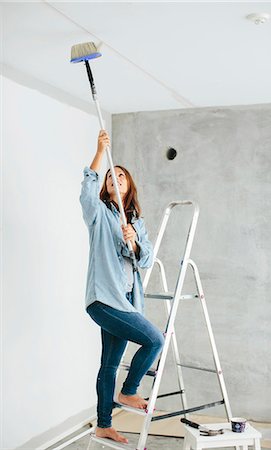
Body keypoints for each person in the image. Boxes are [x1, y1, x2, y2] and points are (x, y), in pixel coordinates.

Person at [79, 129, 164, 444]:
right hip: (103, 300)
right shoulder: (99, 214)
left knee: (109, 364)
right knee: (155, 340)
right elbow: (86, 195)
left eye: (121, 176)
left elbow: (146, 261)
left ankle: (103, 424)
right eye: (110, 176)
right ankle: (129, 392)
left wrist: (136, 242)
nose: (114, 178)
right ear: (105, 185)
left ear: (129, 186)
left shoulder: (137, 222)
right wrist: (100, 153)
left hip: (127, 303)